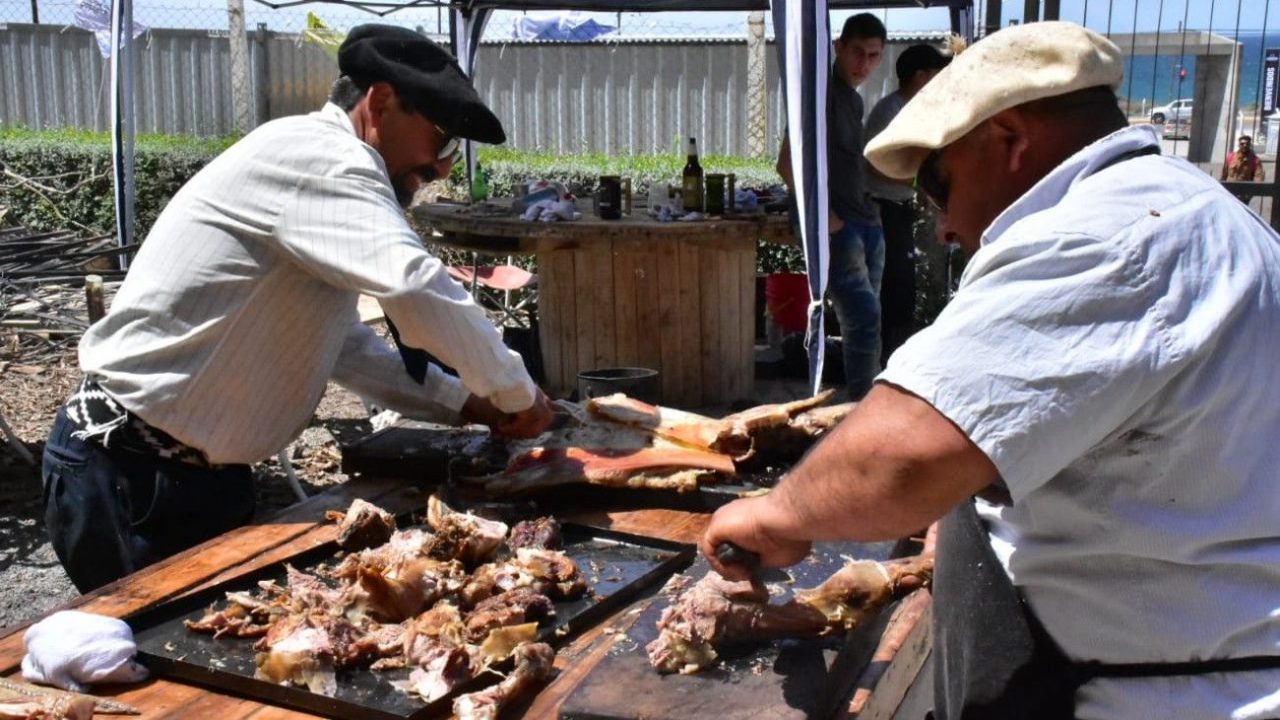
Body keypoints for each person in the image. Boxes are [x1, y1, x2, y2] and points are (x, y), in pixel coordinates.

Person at [704, 21, 1280, 720]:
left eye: (938, 185)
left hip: (1145, 693)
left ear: (1009, 139)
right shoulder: (1179, 208)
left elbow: (902, 457)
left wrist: (774, 513)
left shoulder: (1106, 238)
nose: (943, 224)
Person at [42, 24, 554, 593]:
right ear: (380, 103)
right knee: (148, 662)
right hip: (128, 469)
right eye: (441, 140)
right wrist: (518, 394)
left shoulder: (323, 167)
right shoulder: (324, 159)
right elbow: (414, 286)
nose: (442, 168)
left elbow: (343, 346)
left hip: (190, 476)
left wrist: (465, 401)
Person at [776, 13, 886, 400]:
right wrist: (826, 221)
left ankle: (865, 406)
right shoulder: (819, 93)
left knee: (867, 326)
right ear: (838, 47)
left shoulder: (852, 101)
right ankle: (861, 411)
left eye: (874, 56)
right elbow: (788, 164)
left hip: (863, 222)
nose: (865, 64)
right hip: (840, 228)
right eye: (858, 52)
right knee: (863, 322)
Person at [865, 44, 951, 364]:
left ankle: (893, 357)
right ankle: (887, 361)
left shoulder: (908, 108)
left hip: (897, 207)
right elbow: (876, 165)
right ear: (919, 76)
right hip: (882, 208)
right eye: (935, 74)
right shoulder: (892, 111)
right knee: (895, 287)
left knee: (902, 288)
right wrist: (920, 185)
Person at [1221, 134, 1266, 202]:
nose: (1244, 145)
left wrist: (1250, 194)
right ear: (1239, 145)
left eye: (1247, 143)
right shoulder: (1231, 157)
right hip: (1229, 194)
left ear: (1249, 145)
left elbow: (1258, 178)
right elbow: (1224, 174)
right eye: (1242, 143)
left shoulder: (1255, 160)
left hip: (1243, 196)